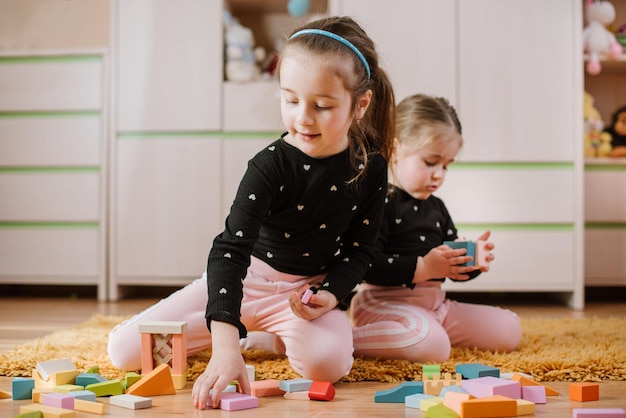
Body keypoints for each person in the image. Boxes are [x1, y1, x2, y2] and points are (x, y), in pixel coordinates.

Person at [107, 16, 396, 410]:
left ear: (359, 104)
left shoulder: (370, 169)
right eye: (290, 100)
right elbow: (229, 249)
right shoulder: (270, 165)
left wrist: (330, 295)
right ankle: (232, 330)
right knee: (126, 352)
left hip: (302, 294)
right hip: (247, 278)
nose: (303, 118)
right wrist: (225, 346)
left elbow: (360, 251)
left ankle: (263, 334)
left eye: (322, 105)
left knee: (327, 364)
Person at [349, 94, 522, 363]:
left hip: (435, 307)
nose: (439, 174)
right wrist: (425, 268)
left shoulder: (437, 207)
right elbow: (366, 265)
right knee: (433, 347)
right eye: (431, 162)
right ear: (395, 149)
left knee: (509, 329)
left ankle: (417, 334)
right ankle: (343, 340)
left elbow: (451, 268)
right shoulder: (381, 201)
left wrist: (472, 259)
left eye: (446, 166)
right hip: (381, 304)